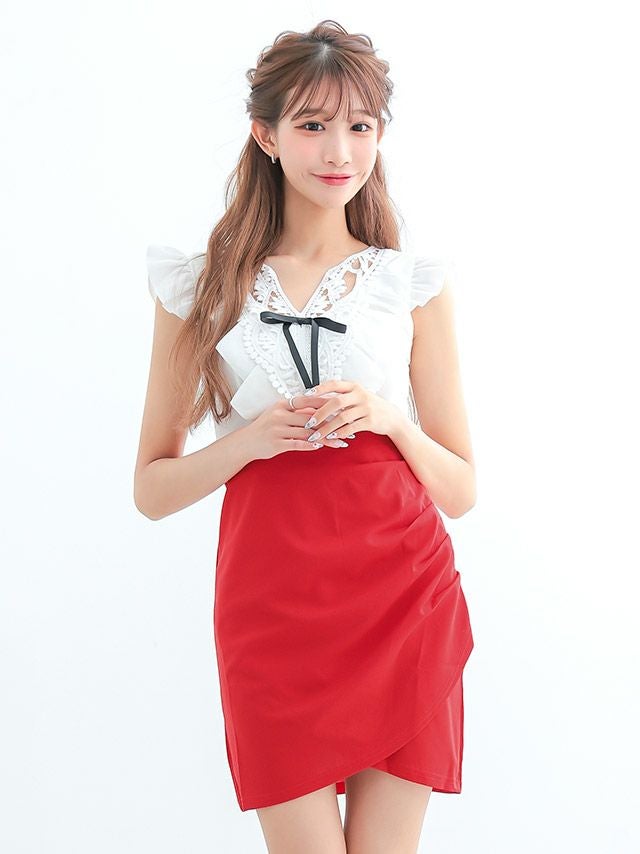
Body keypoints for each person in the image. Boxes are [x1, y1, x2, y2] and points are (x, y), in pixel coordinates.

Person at [134, 19, 476, 854]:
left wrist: (390, 419)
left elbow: (462, 489)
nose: (339, 151)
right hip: (271, 603)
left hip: (403, 593)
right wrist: (251, 441)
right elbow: (151, 490)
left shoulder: (409, 284)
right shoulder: (203, 287)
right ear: (266, 134)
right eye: (314, 125)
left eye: (360, 126)